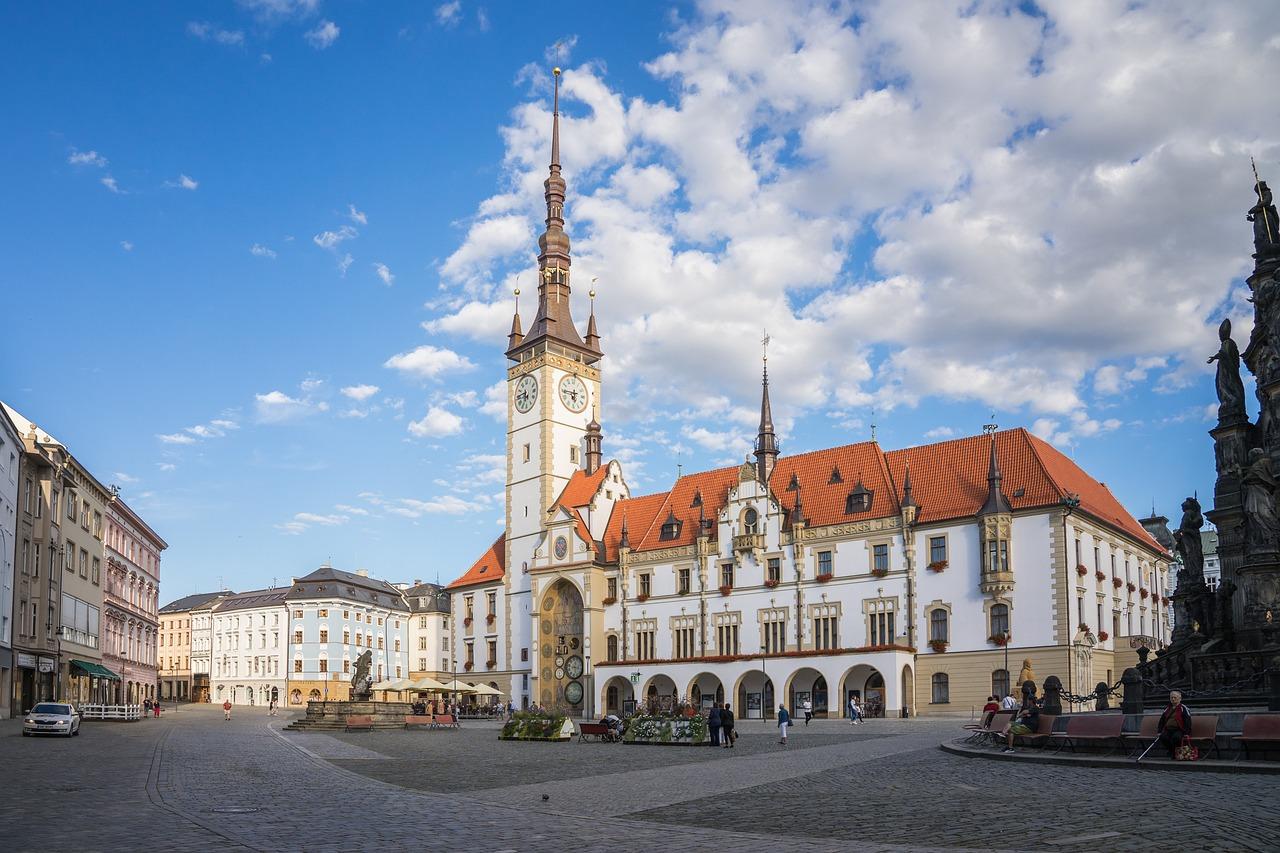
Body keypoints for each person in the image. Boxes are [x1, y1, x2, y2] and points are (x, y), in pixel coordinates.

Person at [1158, 690, 1192, 759]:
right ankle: (1172, 751)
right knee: (1163, 737)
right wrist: (1159, 731)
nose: (1173, 699)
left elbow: (1187, 721)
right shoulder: (1167, 708)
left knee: (1176, 738)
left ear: (1180, 699)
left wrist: (1186, 732)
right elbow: (1162, 720)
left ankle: (1174, 753)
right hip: (1168, 729)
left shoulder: (1183, 708)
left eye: (1175, 697)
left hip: (1179, 729)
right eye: (1171, 698)